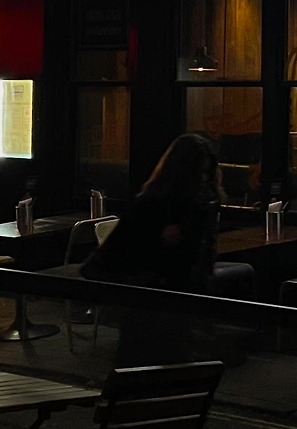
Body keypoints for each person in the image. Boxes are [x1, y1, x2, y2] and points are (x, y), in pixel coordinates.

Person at [82, 133, 223, 364]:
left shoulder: (156, 201)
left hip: (154, 294)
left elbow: (116, 251)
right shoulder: (199, 202)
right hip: (169, 294)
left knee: (144, 357)